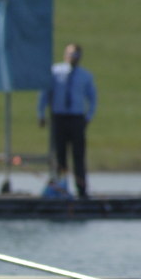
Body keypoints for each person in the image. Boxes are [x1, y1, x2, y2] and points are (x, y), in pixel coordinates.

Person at [38, 43, 97, 199]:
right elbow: (45, 94)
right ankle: (61, 189)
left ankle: (82, 190)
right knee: (60, 156)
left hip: (77, 118)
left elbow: (92, 98)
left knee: (78, 155)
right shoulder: (55, 72)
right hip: (59, 117)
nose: (72, 58)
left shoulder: (85, 76)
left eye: (76, 55)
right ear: (65, 55)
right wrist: (41, 113)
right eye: (70, 54)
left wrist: (88, 116)